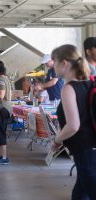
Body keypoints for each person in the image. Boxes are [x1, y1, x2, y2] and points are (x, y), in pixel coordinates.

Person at [50, 44, 96, 199]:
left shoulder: (68, 89)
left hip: (84, 149)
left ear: (64, 63)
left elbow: (73, 125)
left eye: (54, 62)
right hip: (91, 147)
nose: (53, 66)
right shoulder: (90, 83)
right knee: (80, 193)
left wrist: (56, 140)